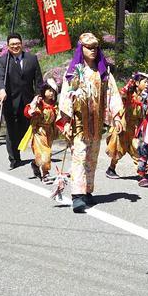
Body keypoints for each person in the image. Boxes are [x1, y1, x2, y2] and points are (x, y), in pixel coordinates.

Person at [58, 32, 122, 213]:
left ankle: (87, 190)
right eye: (88, 47)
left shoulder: (104, 72)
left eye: (95, 47)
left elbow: (112, 93)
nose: (93, 51)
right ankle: (77, 195)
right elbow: (66, 95)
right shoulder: (74, 71)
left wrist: (116, 116)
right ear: (81, 49)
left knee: (92, 156)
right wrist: (66, 120)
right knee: (79, 156)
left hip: (97, 121)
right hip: (79, 121)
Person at [0, 33, 43, 169]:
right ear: (8, 46)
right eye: (12, 45)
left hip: (28, 101)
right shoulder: (3, 60)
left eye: (17, 44)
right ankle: (14, 158)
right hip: (10, 100)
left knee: (25, 129)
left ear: (22, 44)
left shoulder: (32, 59)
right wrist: (1, 89)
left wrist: (38, 95)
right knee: (11, 130)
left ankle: (30, 152)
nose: (15, 46)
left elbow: (38, 81)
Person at [106, 72, 146, 178]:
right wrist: (130, 84)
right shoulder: (129, 94)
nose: (147, 84)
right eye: (145, 82)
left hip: (135, 128)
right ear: (137, 83)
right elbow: (122, 93)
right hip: (123, 125)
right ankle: (111, 168)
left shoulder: (144, 97)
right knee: (118, 148)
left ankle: (142, 172)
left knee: (137, 148)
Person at [24, 79, 62, 183]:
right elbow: (28, 111)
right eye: (49, 90)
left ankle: (35, 164)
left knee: (45, 154)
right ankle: (46, 174)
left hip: (49, 131)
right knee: (45, 153)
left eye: (53, 91)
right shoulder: (38, 102)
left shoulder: (54, 105)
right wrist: (31, 111)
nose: (51, 93)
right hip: (39, 131)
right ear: (43, 90)